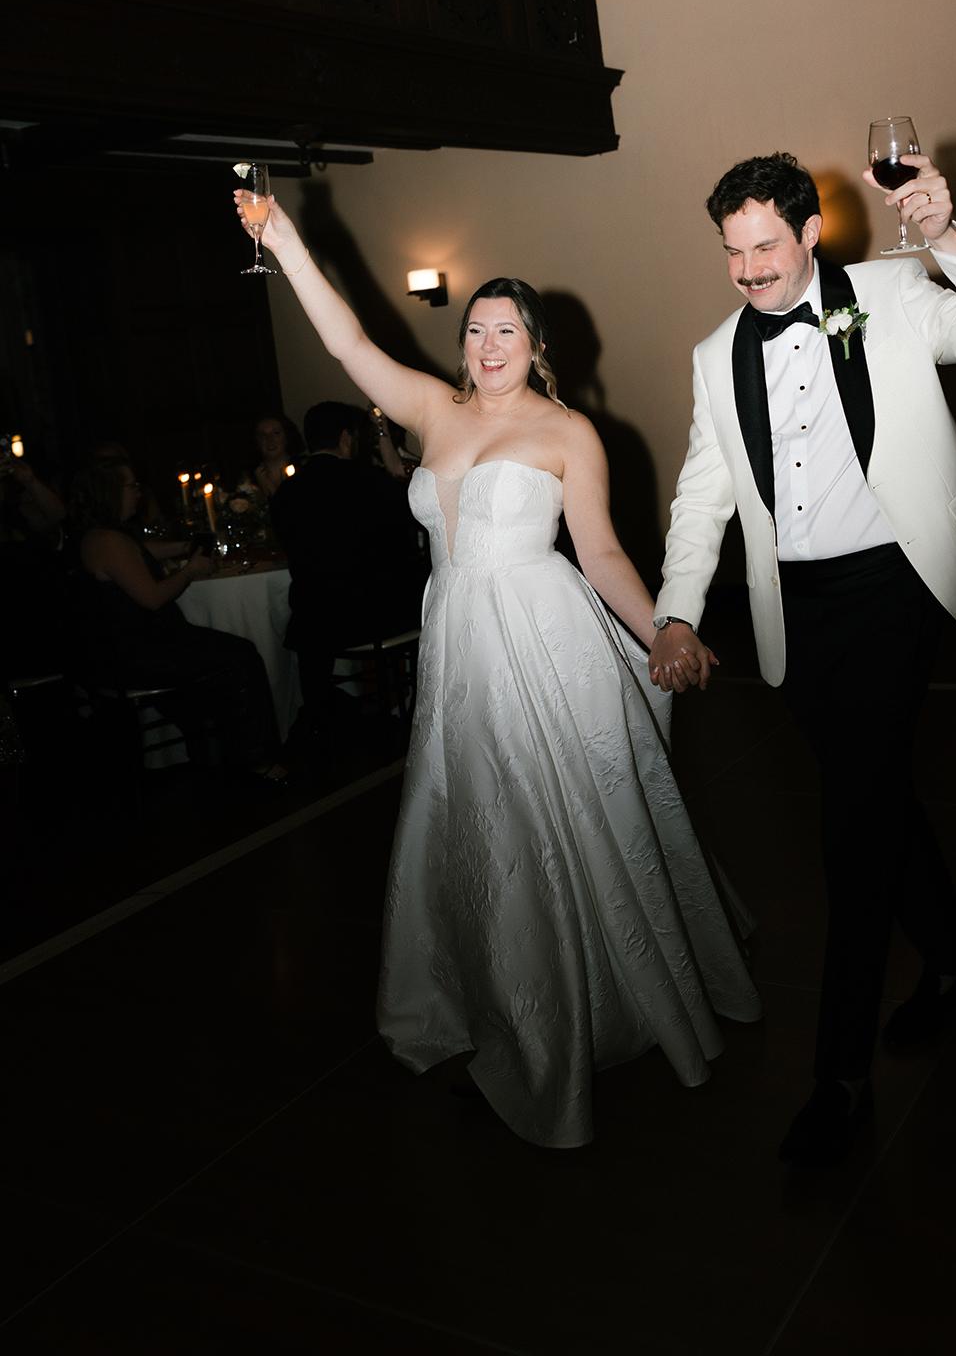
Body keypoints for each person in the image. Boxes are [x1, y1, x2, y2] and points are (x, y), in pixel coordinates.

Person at [233, 186, 761, 1148]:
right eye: (476, 328)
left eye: (506, 331)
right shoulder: (436, 411)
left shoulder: (569, 434)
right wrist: (287, 241)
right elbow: (349, 345)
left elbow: (598, 554)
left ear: (537, 345)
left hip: (546, 642)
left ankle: (575, 1010)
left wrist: (667, 630)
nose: (486, 344)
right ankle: (507, 1007)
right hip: (459, 653)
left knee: (562, 820)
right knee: (479, 827)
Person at [648, 150, 956, 1166]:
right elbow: (703, 494)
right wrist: (677, 615)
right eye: (731, 251)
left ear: (811, 230)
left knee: (851, 830)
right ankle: (954, 966)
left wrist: (949, 234)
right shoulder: (714, 354)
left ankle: (840, 1077)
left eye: (765, 245)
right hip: (800, 612)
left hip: (897, 586)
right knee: (875, 795)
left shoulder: (898, 291)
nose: (747, 269)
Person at [69, 458, 284, 781]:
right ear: (109, 492)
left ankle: (224, 750)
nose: (138, 493)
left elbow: (143, 552)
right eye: (131, 486)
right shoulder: (109, 542)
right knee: (241, 656)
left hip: (134, 647)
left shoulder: (102, 536)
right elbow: (153, 598)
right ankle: (257, 758)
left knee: (228, 652)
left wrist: (187, 546)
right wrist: (190, 570)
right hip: (141, 654)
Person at [270, 400, 428, 741]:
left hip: (314, 621)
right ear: (347, 438)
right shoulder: (372, 482)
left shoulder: (286, 491)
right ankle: (416, 710)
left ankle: (320, 720)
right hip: (373, 616)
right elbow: (412, 524)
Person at [242, 415, 303, 500]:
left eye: (276, 433)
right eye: (263, 435)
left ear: (287, 436)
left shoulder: (304, 469)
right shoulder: (248, 478)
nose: (270, 439)